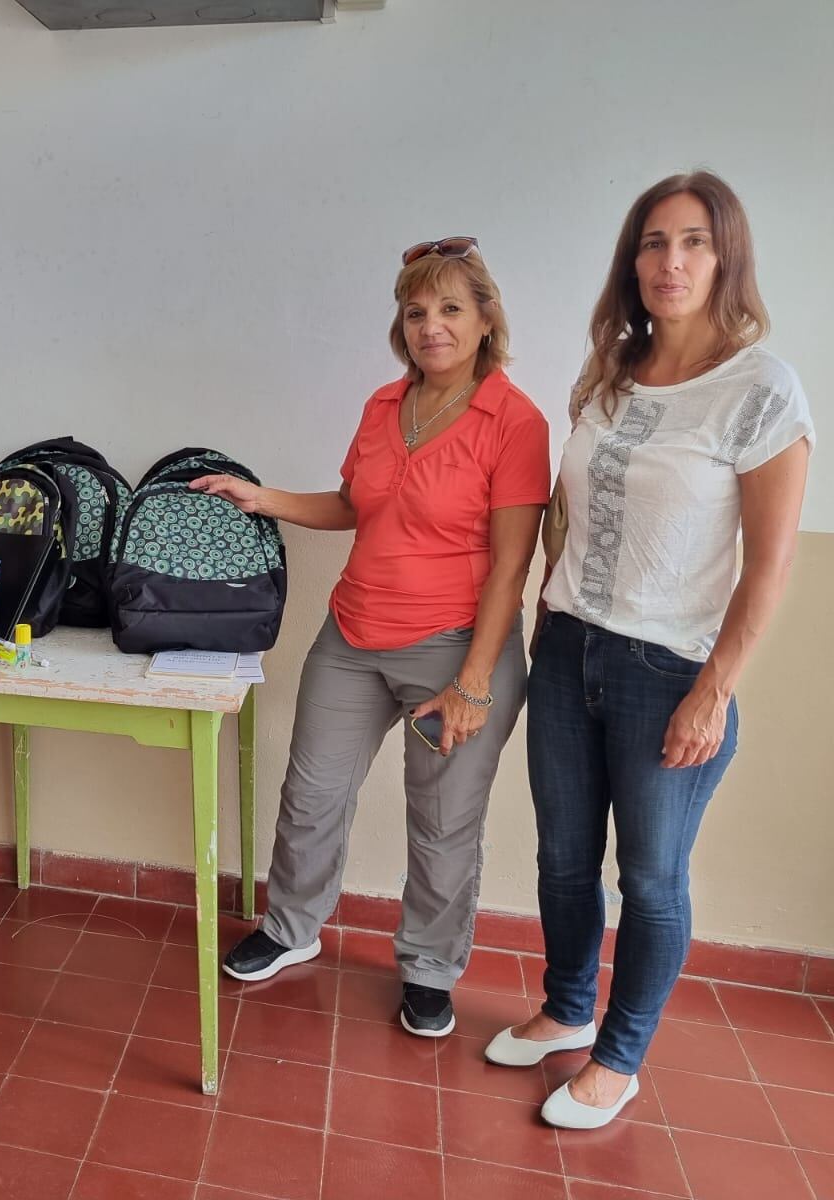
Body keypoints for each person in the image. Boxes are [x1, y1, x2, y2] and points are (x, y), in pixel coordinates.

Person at [485, 172, 814, 1129]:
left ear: (728, 259)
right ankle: (567, 1008)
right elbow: (567, 510)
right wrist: (549, 610)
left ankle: (619, 1058)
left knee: (653, 878)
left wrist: (714, 693)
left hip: (670, 670)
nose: (672, 262)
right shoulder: (610, 374)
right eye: (654, 242)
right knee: (561, 857)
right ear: (632, 261)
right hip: (570, 649)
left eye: (695, 242)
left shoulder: (760, 390)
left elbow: (769, 568)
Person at [204, 238, 550, 1038]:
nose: (432, 326)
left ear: (486, 317)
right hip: (353, 634)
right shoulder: (383, 405)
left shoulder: (515, 420)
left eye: (451, 309)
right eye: (417, 311)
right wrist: (266, 499)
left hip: (457, 648)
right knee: (313, 793)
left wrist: (473, 682)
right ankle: (291, 929)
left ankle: (429, 970)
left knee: (442, 822)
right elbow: (359, 504)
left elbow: (510, 568)